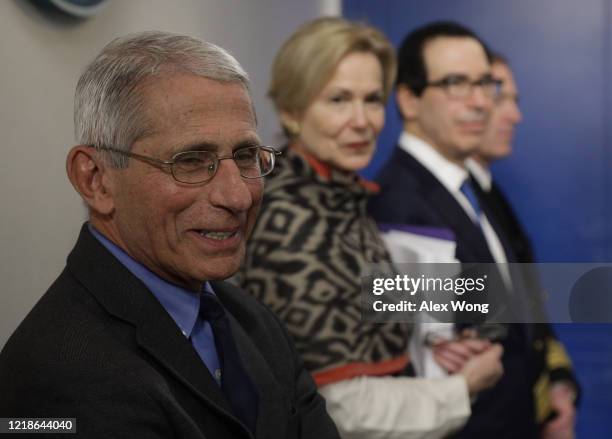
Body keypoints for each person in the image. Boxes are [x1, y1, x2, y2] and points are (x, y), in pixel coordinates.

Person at [0, 31, 340, 439]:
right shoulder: (57, 374)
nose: (237, 196)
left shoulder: (249, 318)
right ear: (96, 180)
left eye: (247, 156)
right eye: (191, 162)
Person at [238, 17, 504, 439]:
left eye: (373, 100)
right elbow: (342, 410)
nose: (362, 121)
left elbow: (358, 294)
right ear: (291, 110)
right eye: (339, 99)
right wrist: (464, 386)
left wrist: (433, 338)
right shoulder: (291, 218)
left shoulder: (337, 193)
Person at [369, 21, 574, 439]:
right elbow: (421, 341)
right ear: (408, 99)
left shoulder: (469, 186)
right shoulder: (398, 202)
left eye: (485, 84)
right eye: (457, 83)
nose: (480, 102)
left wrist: (553, 383)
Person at [466, 53, 578, 439]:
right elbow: (389, 297)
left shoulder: (487, 193)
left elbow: (525, 303)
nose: (514, 115)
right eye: (500, 98)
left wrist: (558, 384)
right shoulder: (427, 194)